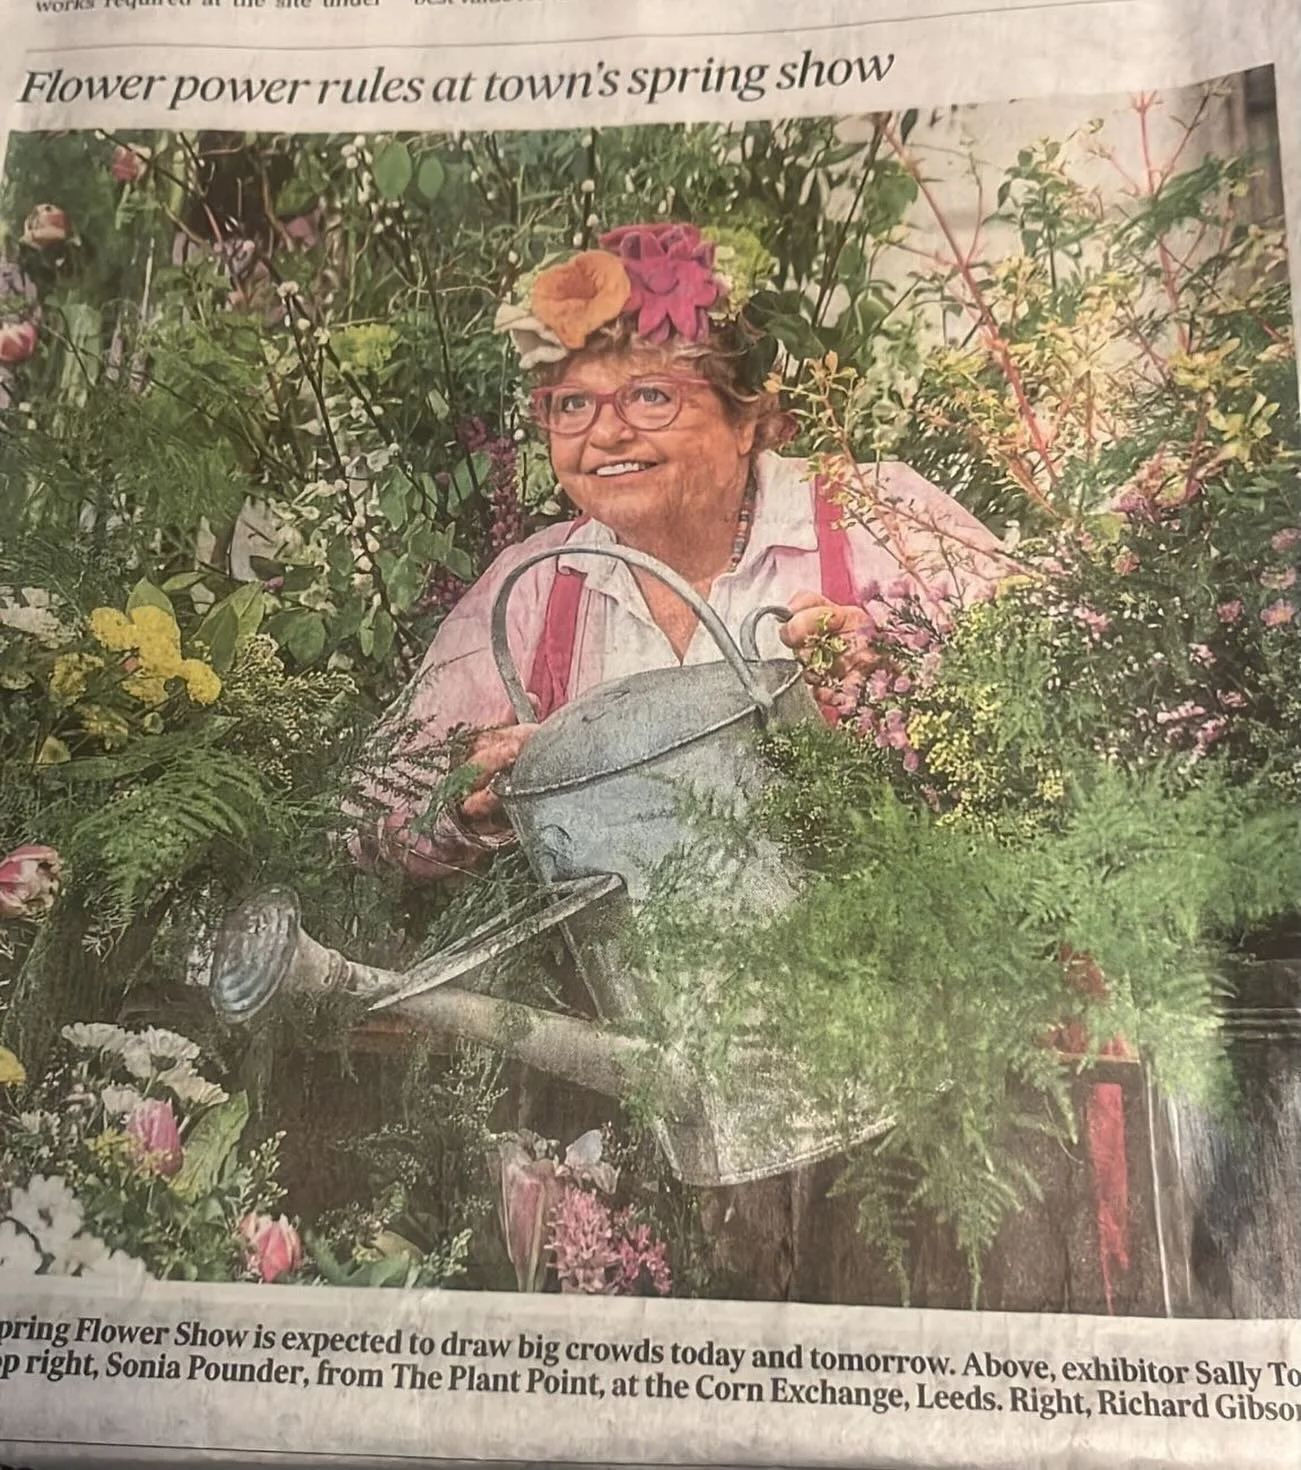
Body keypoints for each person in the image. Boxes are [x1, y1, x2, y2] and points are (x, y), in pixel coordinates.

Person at [354, 221, 1013, 881]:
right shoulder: (533, 587)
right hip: (636, 973)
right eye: (572, 404)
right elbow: (356, 815)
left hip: (887, 949)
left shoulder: (874, 515)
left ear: (746, 420)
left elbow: (1062, 702)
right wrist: (461, 812)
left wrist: (901, 677)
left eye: (649, 396)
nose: (605, 433)